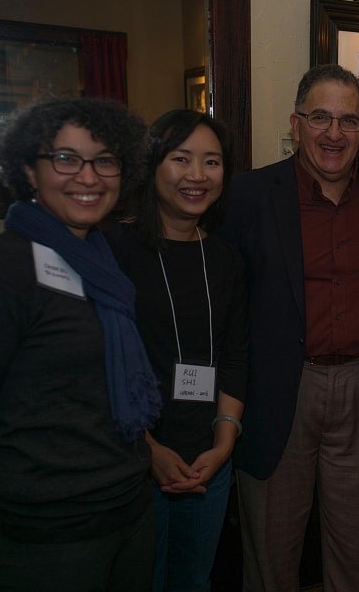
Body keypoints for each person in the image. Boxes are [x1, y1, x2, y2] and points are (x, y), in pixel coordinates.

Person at [0, 97, 160, 592]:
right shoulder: (1, 271)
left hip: (128, 513)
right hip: (46, 538)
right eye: (65, 158)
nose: (88, 178)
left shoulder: (101, 260)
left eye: (105, 160)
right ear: (29, 169)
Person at [220, 64, 359, 592]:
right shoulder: (246, 197)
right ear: (296, 124)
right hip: (278, 391)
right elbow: (224, 307)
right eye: (320, 117)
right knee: (270, 557)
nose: (334, 133)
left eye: (348, 121)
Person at [107, 109, 247, 592]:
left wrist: (224, 443)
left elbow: (234, 355)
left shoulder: (225, 256)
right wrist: (149, 450)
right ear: (152, 166)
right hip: (133, 461)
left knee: (193, 582)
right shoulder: (115, 249)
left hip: (209, 459)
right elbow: (99, 366)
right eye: (181, 159)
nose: (196, 176)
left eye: (211, 163)